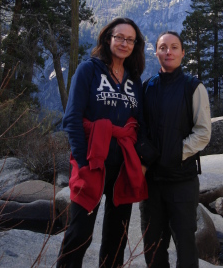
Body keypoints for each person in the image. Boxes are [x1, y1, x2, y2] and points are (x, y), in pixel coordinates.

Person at [57, 17, 147, 268]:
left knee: (117, 237)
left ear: (135, 45)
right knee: (80, 235)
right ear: (108, 39)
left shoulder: (134, 79)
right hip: (92, 163)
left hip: (123, 167)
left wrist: (139, 161)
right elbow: (72, 118)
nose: (124, 43)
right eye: (119, 37)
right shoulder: (89, 69)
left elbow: (137, 123)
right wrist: (82, 161)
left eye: (130, 39)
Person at [139, 31, 211, 268]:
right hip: (151, 184)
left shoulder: (193, 87)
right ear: (156, 52)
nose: (168, 52)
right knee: (153, 246)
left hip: (182, 181)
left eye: (174, 47)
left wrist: (176, 152)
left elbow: (203, 132)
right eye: (163, 47)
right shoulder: (147, 87)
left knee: (186, 246)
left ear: (182, 53)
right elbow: (139, 128)